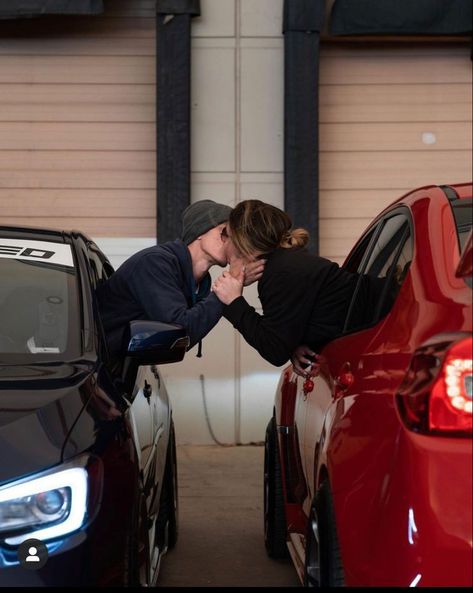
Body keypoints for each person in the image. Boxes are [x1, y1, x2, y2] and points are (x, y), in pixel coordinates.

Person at [212, 199, 369, 375]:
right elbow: (290, 328)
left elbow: (274, 351)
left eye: (228, 236)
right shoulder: (285, 264)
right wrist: (293, 344)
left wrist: (234, 301)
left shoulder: (282, 274)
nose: (225, 243)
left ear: (243, 243)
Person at [97, 199, 264, 362]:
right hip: (96, 368)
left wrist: (231, 289)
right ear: (200, 232)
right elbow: (179, 332)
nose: (231, 243)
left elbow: (180, 341)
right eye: (224, 232)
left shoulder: (200, 284)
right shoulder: (155, 263)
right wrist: (230, 284)